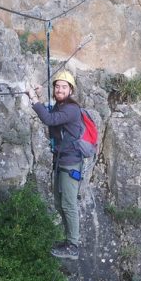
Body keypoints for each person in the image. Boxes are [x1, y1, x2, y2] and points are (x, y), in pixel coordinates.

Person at [27, 70, 83, 260]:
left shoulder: (71, 109)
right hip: (61, 162)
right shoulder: (60, 107)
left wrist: (34, 99)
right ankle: (68, 241)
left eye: (64, 87)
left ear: (71, 90)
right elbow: (51, 115)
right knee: (60, 204)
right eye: (57, 86)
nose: (59, 89)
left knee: (69, 204)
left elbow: (49, 119)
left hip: (70, 164)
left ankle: (73, 245)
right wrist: (41, 98)